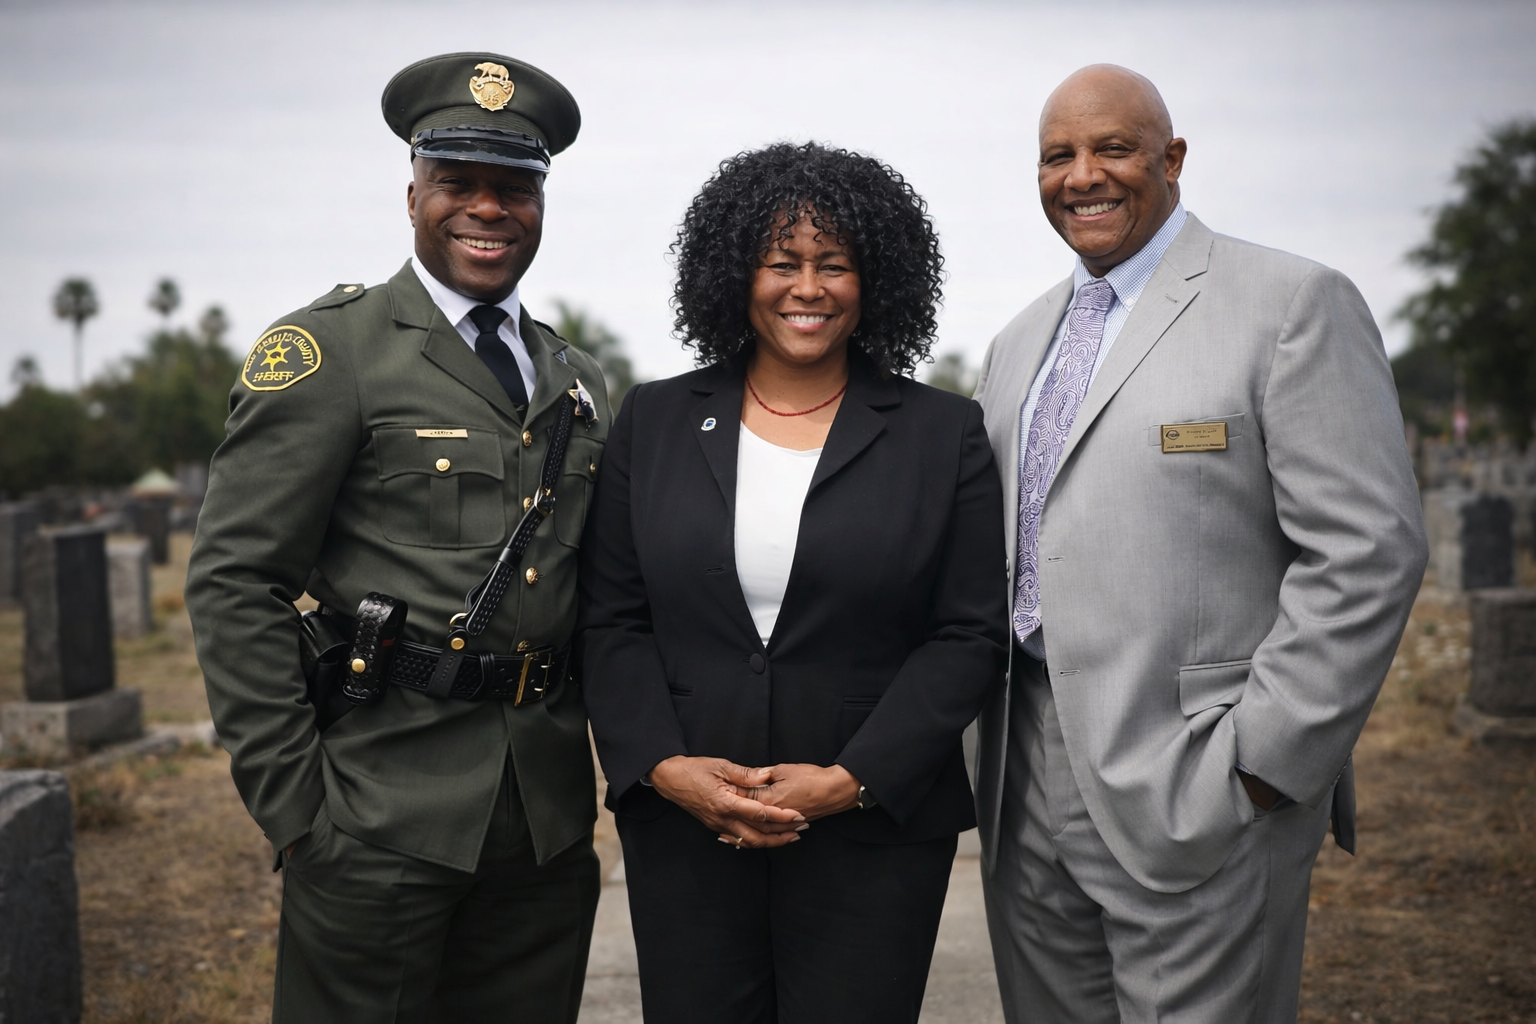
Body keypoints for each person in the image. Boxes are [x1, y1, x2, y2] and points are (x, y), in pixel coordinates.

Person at [972, 65, 1428, 1022]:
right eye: (1059, 156)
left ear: (1172, 160)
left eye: (1114, 149)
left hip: (1202, 776)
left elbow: (1368, 551)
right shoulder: (1017, 345)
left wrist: (1262, 764)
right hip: (1024, 783)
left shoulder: (1290, 304)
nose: (1083, 175)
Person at [184, 52, 610, 1023]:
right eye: (458, 183)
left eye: (514, 188)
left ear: (542, 201)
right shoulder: (336, 351)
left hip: (542, 829)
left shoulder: (574, 379)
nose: (487, 210)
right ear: (412, 192)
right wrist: (298, 813)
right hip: (377, 815)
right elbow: (234, 579)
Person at [578, 141, 1009, 1023]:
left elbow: (968, 632)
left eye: (833, 265)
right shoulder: (654, 419)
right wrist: (663, 769)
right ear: (736, 275)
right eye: (781, 262)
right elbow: (612, 620)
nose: (806, 288)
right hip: (689, 825)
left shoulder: (943, 431)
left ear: (875, 281)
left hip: (875, 829)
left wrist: (851, 780)